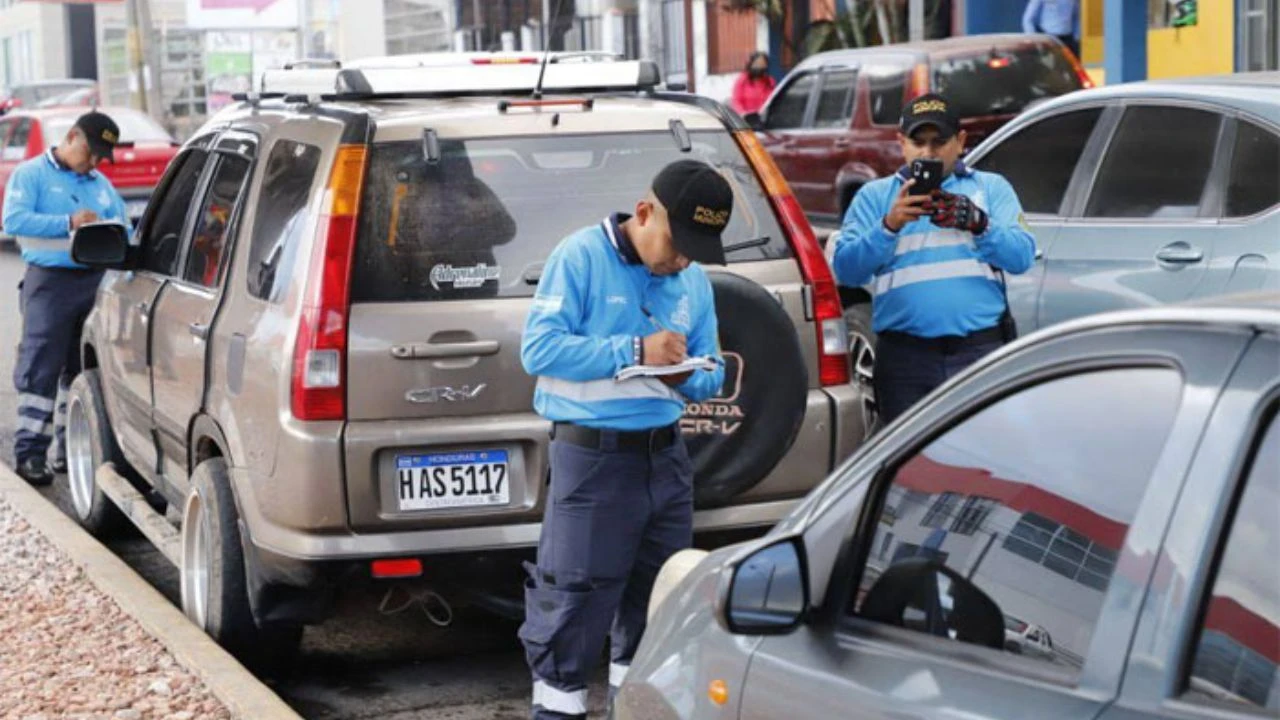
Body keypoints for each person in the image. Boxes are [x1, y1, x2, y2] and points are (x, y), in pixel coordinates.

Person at [518, 159, 730, 720]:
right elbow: (538, 351)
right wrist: (635, 352)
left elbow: (715, 374)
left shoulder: (693, 280)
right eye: (677, 241)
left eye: (696, 248)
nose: (683, 258)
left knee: (659, 611)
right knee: (572, 616)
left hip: (666, 463)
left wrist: (687, 374)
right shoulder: (581, 256)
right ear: (644, 213)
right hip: (593, 465)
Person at [832, 93, 1035, 424]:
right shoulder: (875, 197)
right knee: (911, 468)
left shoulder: (990, 188)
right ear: (901, 143)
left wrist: (979, 223)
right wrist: (889, 225)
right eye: (918, 141)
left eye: (939, 141)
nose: (928, 152)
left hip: (978, 353)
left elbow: (1022, 256)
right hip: (905, 360)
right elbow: (847, 271)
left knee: (983, 460)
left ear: (960, 142)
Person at [3, 110, 126, 485]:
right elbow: (14, 220)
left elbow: (124, 228)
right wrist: (68, 222)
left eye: (100, 157)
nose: (93, 162)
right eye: (90, 152)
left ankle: (67, 453)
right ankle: (30, 455)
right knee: (40, 367)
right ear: (72, 137)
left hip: (93, 283)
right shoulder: (31, 175)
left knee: (79, 373)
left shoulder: (101, 185)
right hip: (49, 284)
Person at [730, 51, 776, 117]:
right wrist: (743, 114)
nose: (760, 66)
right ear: (751, 64)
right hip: (745, 119)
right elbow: (736, 101)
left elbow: (773, 101)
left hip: (765, 118)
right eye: (757, 64)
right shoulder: (742, 80)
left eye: (762, 64)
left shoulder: (770, 81)